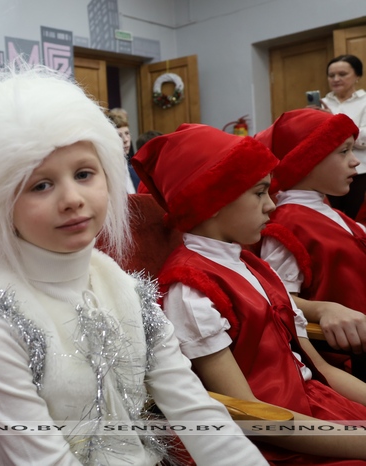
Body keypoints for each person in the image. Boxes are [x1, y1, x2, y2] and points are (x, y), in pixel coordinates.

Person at [0, 66, 266, 466]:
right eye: (41, 185)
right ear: (2, 204)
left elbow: (193, 407)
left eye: (84, 174)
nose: (72, 198)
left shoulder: (124, 288)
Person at [134, 123, 366, 464]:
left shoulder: (252, 265)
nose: (271, 205)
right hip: (281, 442)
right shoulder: (192, 289)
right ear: (212, 200)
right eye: (259, 193)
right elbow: (250, 415)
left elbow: (321, 371)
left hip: (319, 410)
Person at [257, 109, 366, 355]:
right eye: (344, 151)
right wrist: (323, 310)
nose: (355, 161)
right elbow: (278, 298)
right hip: (344, 354)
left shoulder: (329, 211)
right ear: (308, 161)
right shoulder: (289, 223)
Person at [321, 54, 366, 219]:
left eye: (342, 74)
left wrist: (333, 123)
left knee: (354, 219)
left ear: (357, 76)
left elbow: (365, 137)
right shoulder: (322, 103)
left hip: (359, 171)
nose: (336, 79)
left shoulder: (364, 102)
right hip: (326, 170)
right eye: (331, 75)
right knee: (330, 218)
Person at [105, 108, 137, 194]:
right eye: (119, 135)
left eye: (127, 133)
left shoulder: (136, 173)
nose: (125, 139)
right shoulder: (105, 175)